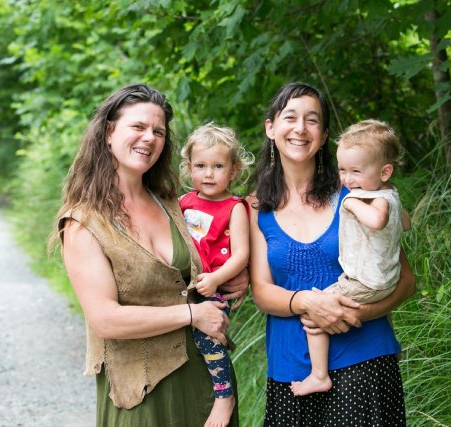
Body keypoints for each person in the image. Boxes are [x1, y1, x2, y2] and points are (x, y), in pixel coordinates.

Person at [54, 84, 247, 426]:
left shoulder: (173, 202)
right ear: (109, 132)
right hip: (142, 397)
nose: (150, 138)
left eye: (158, 131)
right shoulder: (84, 222)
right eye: (138, 127)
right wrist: (192, 314)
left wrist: (240, 274)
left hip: (208, 388)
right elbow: (106, 320)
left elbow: (234, 223)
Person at [248, 82, 416, 426]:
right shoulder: (254, 206)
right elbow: (262, 291)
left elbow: (406, 281)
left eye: (312, 120)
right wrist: (308, 304)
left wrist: (357, 314)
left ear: (324, 135)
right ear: (271, 127)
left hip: (363, 357)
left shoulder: (358, 193)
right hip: (290, 367)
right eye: (290, 117)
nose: (300, 128)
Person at [290, 119, 410, 397]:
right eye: (343, 170)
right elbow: (406, 222)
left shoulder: (368, 199)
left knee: (314, 310)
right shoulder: (392, 193)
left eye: (356, 171)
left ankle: (319, 375)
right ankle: (394, 351)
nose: (347, 180)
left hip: (367, 278)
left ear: (385, 171)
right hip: (386, 278)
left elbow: (378, 220)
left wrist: (351, 202)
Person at [178, 123, 254, 427]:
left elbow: (241, 255)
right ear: (188, 168)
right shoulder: (183, 202)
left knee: (208, 336)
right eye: (201, 166)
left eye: (218, 166)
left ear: (233, 171)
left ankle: (224, 396)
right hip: (187, 284)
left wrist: (217, 279)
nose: (209, 174)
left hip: (216, 284)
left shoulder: (234, 207)